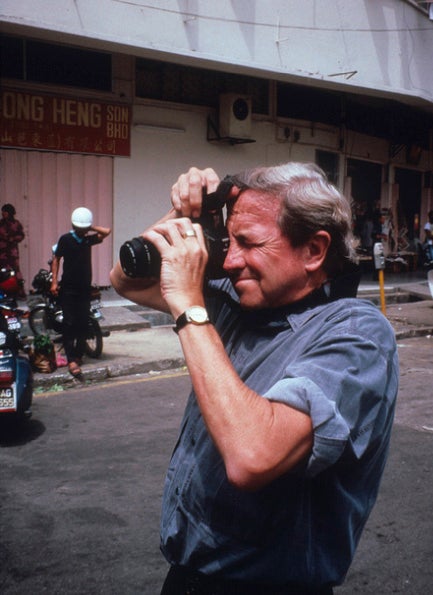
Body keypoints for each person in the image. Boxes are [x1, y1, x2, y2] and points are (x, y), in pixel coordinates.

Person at [110, 162, 398, 594]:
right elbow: (126, 280)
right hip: (188, 577)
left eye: (248, 243)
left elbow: (253, 456)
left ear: (314, 251)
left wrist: (191, 308)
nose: (229, 260)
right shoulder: (240, 301)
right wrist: (186, 217)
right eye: (229, 242)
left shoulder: (357, 334)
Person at [51, 207, 111, 378]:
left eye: (84, 228)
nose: (82, 231)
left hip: (84, 288)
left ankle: (78, 355)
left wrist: (90, 227)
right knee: (69, 324)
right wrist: (54, 282)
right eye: (80, 228)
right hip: (68, 288)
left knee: (83, 323)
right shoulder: (66, 239)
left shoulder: (87, 240)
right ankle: (71, 360)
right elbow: (56, 259)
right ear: (73, 225)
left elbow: (106, 232)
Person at [0, 203, 26, 297]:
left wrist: (13, 238)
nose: (3, 213)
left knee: (16, 271)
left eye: (5, 212)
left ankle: (20, 292)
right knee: (2, 273)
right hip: (2, 252)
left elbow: (21, 235)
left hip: (12, 252)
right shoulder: (1, 223)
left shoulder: (16, 223)